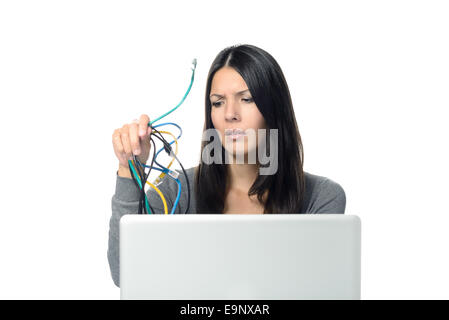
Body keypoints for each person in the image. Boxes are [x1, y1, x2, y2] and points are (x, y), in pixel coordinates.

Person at [108, 44, 346, 287]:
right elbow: (125, 273)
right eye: (218, 102)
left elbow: (317, 289)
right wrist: (129, 168)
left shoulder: (321, 197)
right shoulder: (176, 190)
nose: (230, 114)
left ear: (274, 109)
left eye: (246, 99)